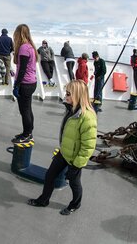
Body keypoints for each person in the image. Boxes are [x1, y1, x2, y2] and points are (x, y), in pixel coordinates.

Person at [27, 79, 97, 216]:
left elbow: (88, 145)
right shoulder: (71, 110)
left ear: (77, 95)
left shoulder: (87, 117)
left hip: (75, 158)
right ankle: (43, 200)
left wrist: (77, 164)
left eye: (69, 93)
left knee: (74, 183)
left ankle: (75, 204)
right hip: (64, 152)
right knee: (50, 175)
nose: (66, 96)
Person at [11, 24, 38, 144]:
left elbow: (22, 69)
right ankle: (28, 131)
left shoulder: (23, 48)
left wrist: (16, 85)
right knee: (28, 109)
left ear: (19, 34)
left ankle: (27, 134)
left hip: (25, 84)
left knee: (24, 110)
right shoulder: (31, 47)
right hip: (31, 82)